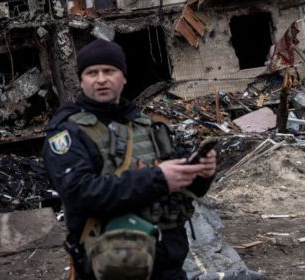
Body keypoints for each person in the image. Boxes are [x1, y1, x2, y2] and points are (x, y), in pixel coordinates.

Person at [43, 39, 216, 280]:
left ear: (123, 77)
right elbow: (79, 193)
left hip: (167, 263)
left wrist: (201, 175)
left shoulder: (145, 125)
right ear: (81, 81)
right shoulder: (68, 133)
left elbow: (179, 188)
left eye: (109, 71)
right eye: (92, 73)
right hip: (112, 265)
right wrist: (157, 178)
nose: (101, 79)